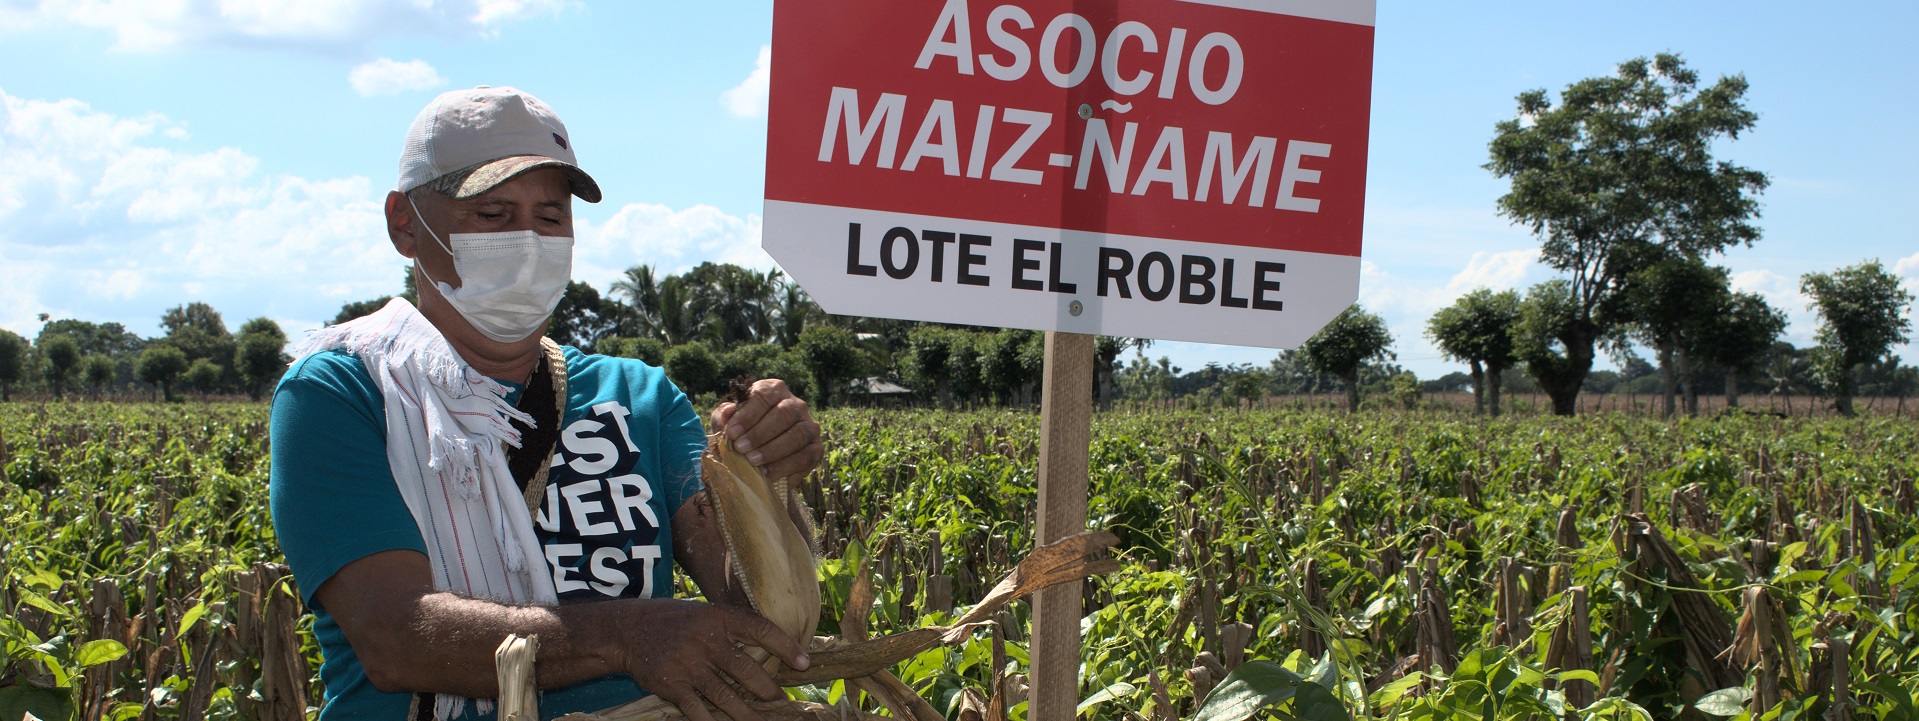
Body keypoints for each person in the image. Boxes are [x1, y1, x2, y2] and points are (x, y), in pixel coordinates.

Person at [269, 85, 823, 721]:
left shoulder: (640, 397)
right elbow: (396, 638)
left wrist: (765, 480)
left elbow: (748, 602)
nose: (528, 239)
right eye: (493, 215)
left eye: (550, 217)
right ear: (404, 224)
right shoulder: (343, 393)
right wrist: (626, 637)